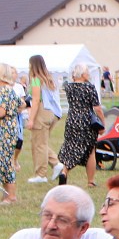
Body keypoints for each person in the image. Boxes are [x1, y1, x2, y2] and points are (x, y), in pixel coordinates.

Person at [58, 64, 104, 188]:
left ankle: (64, 171)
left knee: (71, 147)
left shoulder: (68, 87)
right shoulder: (89, 88)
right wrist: (102, 123)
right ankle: (91, 181)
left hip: (72, 119)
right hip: (86, 121)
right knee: (90, 150)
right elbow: (97, 108)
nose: (88, 74)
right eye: (87, 72)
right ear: (83, 74)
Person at [26, 54, 62, 184]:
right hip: (52, 113)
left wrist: (31, 119)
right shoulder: (49, 79)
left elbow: (36, 100)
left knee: (39, 144)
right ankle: (55, 163)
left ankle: (41, 174)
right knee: (41, 141)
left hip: (42, 112)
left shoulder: (36, 79)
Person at [0, 64, 21, 203]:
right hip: (11, 128)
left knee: (4, 162)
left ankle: (11, 196)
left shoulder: (3, 91)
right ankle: (8, 195)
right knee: (6, 162)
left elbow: (1, 112)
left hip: (4, 130)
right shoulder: (11, 90)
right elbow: (22, 104)